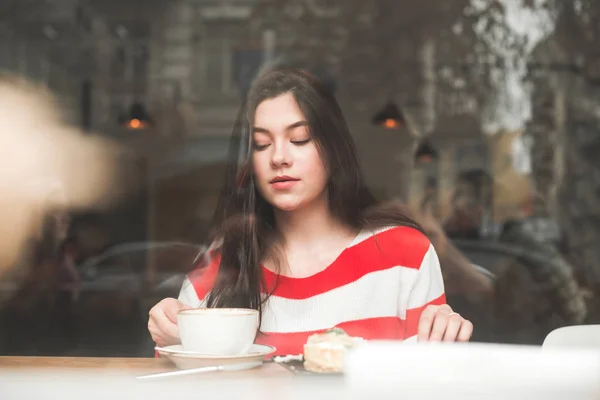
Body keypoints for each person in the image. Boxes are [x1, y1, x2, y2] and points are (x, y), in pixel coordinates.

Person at [148, 67, 473, 355]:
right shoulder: (222, 264)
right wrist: (173, 337)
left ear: (333, 149)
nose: (279, 157)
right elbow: (185, 385)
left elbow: (429, 379)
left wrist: (446, 342)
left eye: (300, 139)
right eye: (262, 144)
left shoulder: (403, 255)